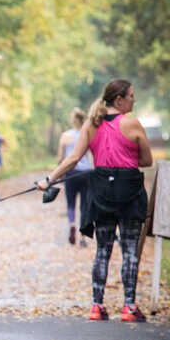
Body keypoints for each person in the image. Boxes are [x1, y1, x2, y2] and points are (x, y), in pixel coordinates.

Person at [37, 79, 152, 322]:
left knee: (102, 250)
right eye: (131, 95)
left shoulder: (92, 124)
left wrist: (49, 179)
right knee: (130, 250)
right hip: (129, 191)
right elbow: (146, 160)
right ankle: (129, 307)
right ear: (119, 100)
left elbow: (73, 160)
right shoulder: (132, 124)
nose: (134, 99)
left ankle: (97, 306)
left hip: (101, 191)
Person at [56, 108, 93, 247]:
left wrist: (59, 173)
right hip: (86, 173)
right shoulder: (88, 134)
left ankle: (72, 225)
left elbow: (60, 158)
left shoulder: (65, 136)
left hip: (71, 173)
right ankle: (83, 237)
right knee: (84, 205)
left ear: (72, 120)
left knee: (70, 203)